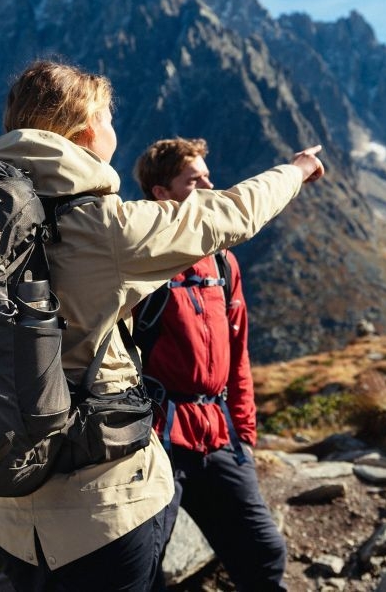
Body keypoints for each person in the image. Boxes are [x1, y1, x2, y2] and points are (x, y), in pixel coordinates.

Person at [0, 59, 324, 590]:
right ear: (88, 129)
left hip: (8, 509)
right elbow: (231, 214)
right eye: (109, 118)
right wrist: (296, 171)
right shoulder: (103, 227)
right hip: (105, 507)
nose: (113, 130)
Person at [131, 138, 289, 590]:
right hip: (158, 439)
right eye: (194, 179)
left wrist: (245, 432)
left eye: (206, 174)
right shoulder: (144, 259)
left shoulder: (223, 260)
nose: (209, 184)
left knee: (263, 553)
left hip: (219, 434)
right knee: (142, 570)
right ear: (162, 193)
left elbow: (238, 352)